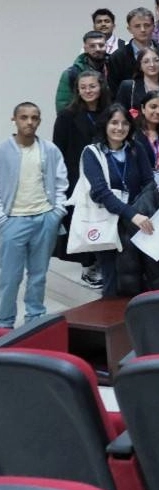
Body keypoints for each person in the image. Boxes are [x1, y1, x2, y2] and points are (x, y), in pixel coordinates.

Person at [0, 103, 67, 330]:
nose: (29, 122)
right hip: (13, 221)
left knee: (38, 274)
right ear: (14, 119)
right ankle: (4, 322)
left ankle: (35, 318)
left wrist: (57, 212)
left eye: (34, 117)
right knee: (10, 277)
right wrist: (3, 219)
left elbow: (61, 181)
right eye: (24, 117)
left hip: (44, 219)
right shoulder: (3, 151)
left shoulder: (50, 150)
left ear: (39, 120)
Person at [79, 104, 154, 297]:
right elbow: (100, 192)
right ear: (105, 124)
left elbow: (148, 182)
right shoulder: (92, 153)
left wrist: (141, 211)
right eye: (114, 122)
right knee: (113, 280)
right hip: (109, 222)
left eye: (124, 123)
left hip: (137, 224)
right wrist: (132, 214)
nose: (119, 128)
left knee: (142, 278)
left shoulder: (136, 148)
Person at [52, 70, 108, 286]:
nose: (88, 91)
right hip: (77, 178)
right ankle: (88, 267)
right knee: (83, 221)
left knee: (103, 220)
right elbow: (59, 151)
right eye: (83, 87)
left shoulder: (109, 112)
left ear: (101, 86)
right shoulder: (67, 116)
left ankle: (103, 263)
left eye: (92, 86)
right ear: (77, 90)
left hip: (105, 175)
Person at [107, 7, 159, 95]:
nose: (142, 30)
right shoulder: (117, 58)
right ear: (129, 29)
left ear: (153, 27)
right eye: (137, 26)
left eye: (147, 25)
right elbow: (114, 91)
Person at [54, 31, 108, 112]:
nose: (97, 49)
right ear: (85, 49)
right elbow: (63, 105)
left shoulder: (115, 67)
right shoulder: (72, 73)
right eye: (92, 46)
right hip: (81, 117)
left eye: (101, 45)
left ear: (106, 47)